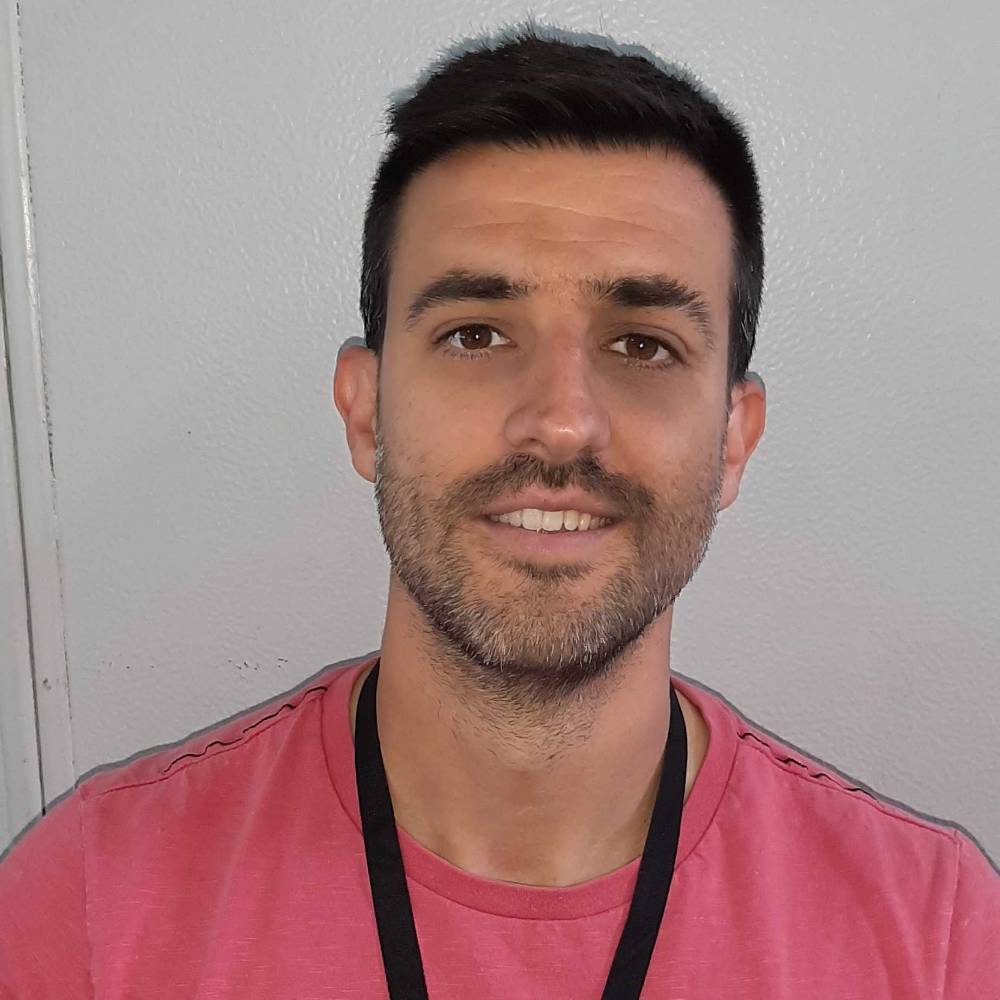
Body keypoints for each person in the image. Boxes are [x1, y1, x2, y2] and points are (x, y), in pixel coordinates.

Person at [1, 23, 997, 999]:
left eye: (643, 345)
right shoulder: (87, 908)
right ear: (366, 411)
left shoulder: (938, 940)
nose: (560, 423)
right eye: (476, 334)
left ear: (733, 439)